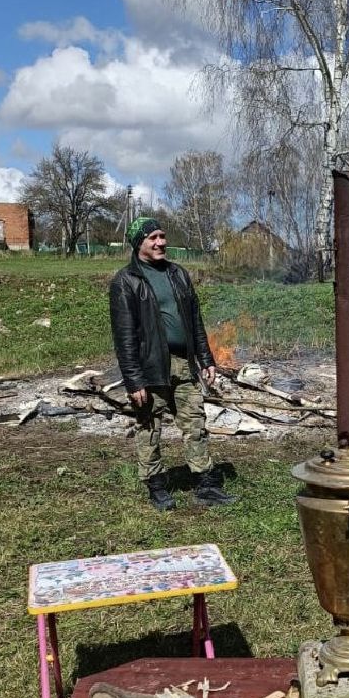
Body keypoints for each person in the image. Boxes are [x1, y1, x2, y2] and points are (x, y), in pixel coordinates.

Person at [109, 217, 230, 511]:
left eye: (162, 236)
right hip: (150, 367)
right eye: (153, 237)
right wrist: (133, 380)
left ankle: (205, 484)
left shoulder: (178, 274)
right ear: (139, 242)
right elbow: (124, 336)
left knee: (195, 423)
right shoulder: (126, 281)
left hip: (183, 363)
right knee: (149, 427)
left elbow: (195, 320)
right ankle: (157, 487)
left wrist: (206, 358)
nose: (161, 242)